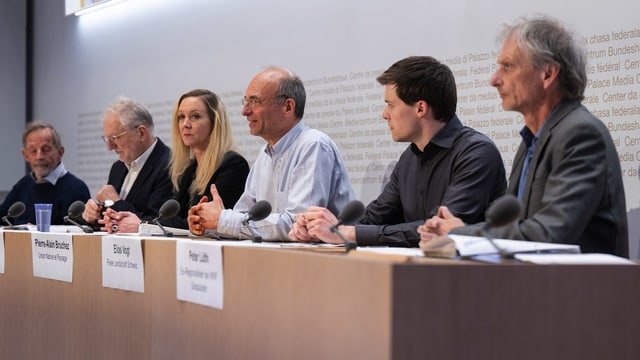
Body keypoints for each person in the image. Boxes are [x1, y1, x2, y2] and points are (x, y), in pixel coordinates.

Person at [419, 15, 628, 257]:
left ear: (548, 74)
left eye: (507, 66)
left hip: (584, 289)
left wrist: (462, 234)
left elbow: (550, 233)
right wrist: (457, 230)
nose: (494, 80)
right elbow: (517, 228)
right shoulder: (532, 139)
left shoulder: (580, 134)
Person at [289, 56, 507, 247]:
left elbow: (439, 229)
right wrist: (322, 228)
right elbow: (375, 218)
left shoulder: (476, 153)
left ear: (420, 108)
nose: (385, 115)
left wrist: (349, 233)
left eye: (390, 105)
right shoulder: (409, 157)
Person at [188, 66, 355, 240]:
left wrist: (223, 221)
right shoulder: (265, 154)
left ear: (288, 107)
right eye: (245, 101)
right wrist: (209, 223)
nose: (245, 111)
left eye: (255, 101)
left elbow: (299, 226)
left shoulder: (313, 145)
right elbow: (244, 216)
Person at [101, 89, 250, 232]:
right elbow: (171, 219)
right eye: (181, 117)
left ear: (214, 123)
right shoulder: (189, 168)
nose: (186, 124)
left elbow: (201, 223)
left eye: (195, 116)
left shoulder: (232, 165)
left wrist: (141, 224)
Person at [81, 97, 173, 229]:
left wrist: (116, 202)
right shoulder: (118, 168)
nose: (109, 147)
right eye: (107, 139)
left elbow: (160, 224)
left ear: (141, 133)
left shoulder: (169, 165)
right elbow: (113, 223)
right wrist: (95, 216)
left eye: (115, 138)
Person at [0, 121, 90, 225]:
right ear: (25, 155)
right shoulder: (23, 184)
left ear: (60, 152)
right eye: (33, 151)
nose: (39, 157)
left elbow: (79, 234)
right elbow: (3, 216)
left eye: (46, 150)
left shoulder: (76, 189)